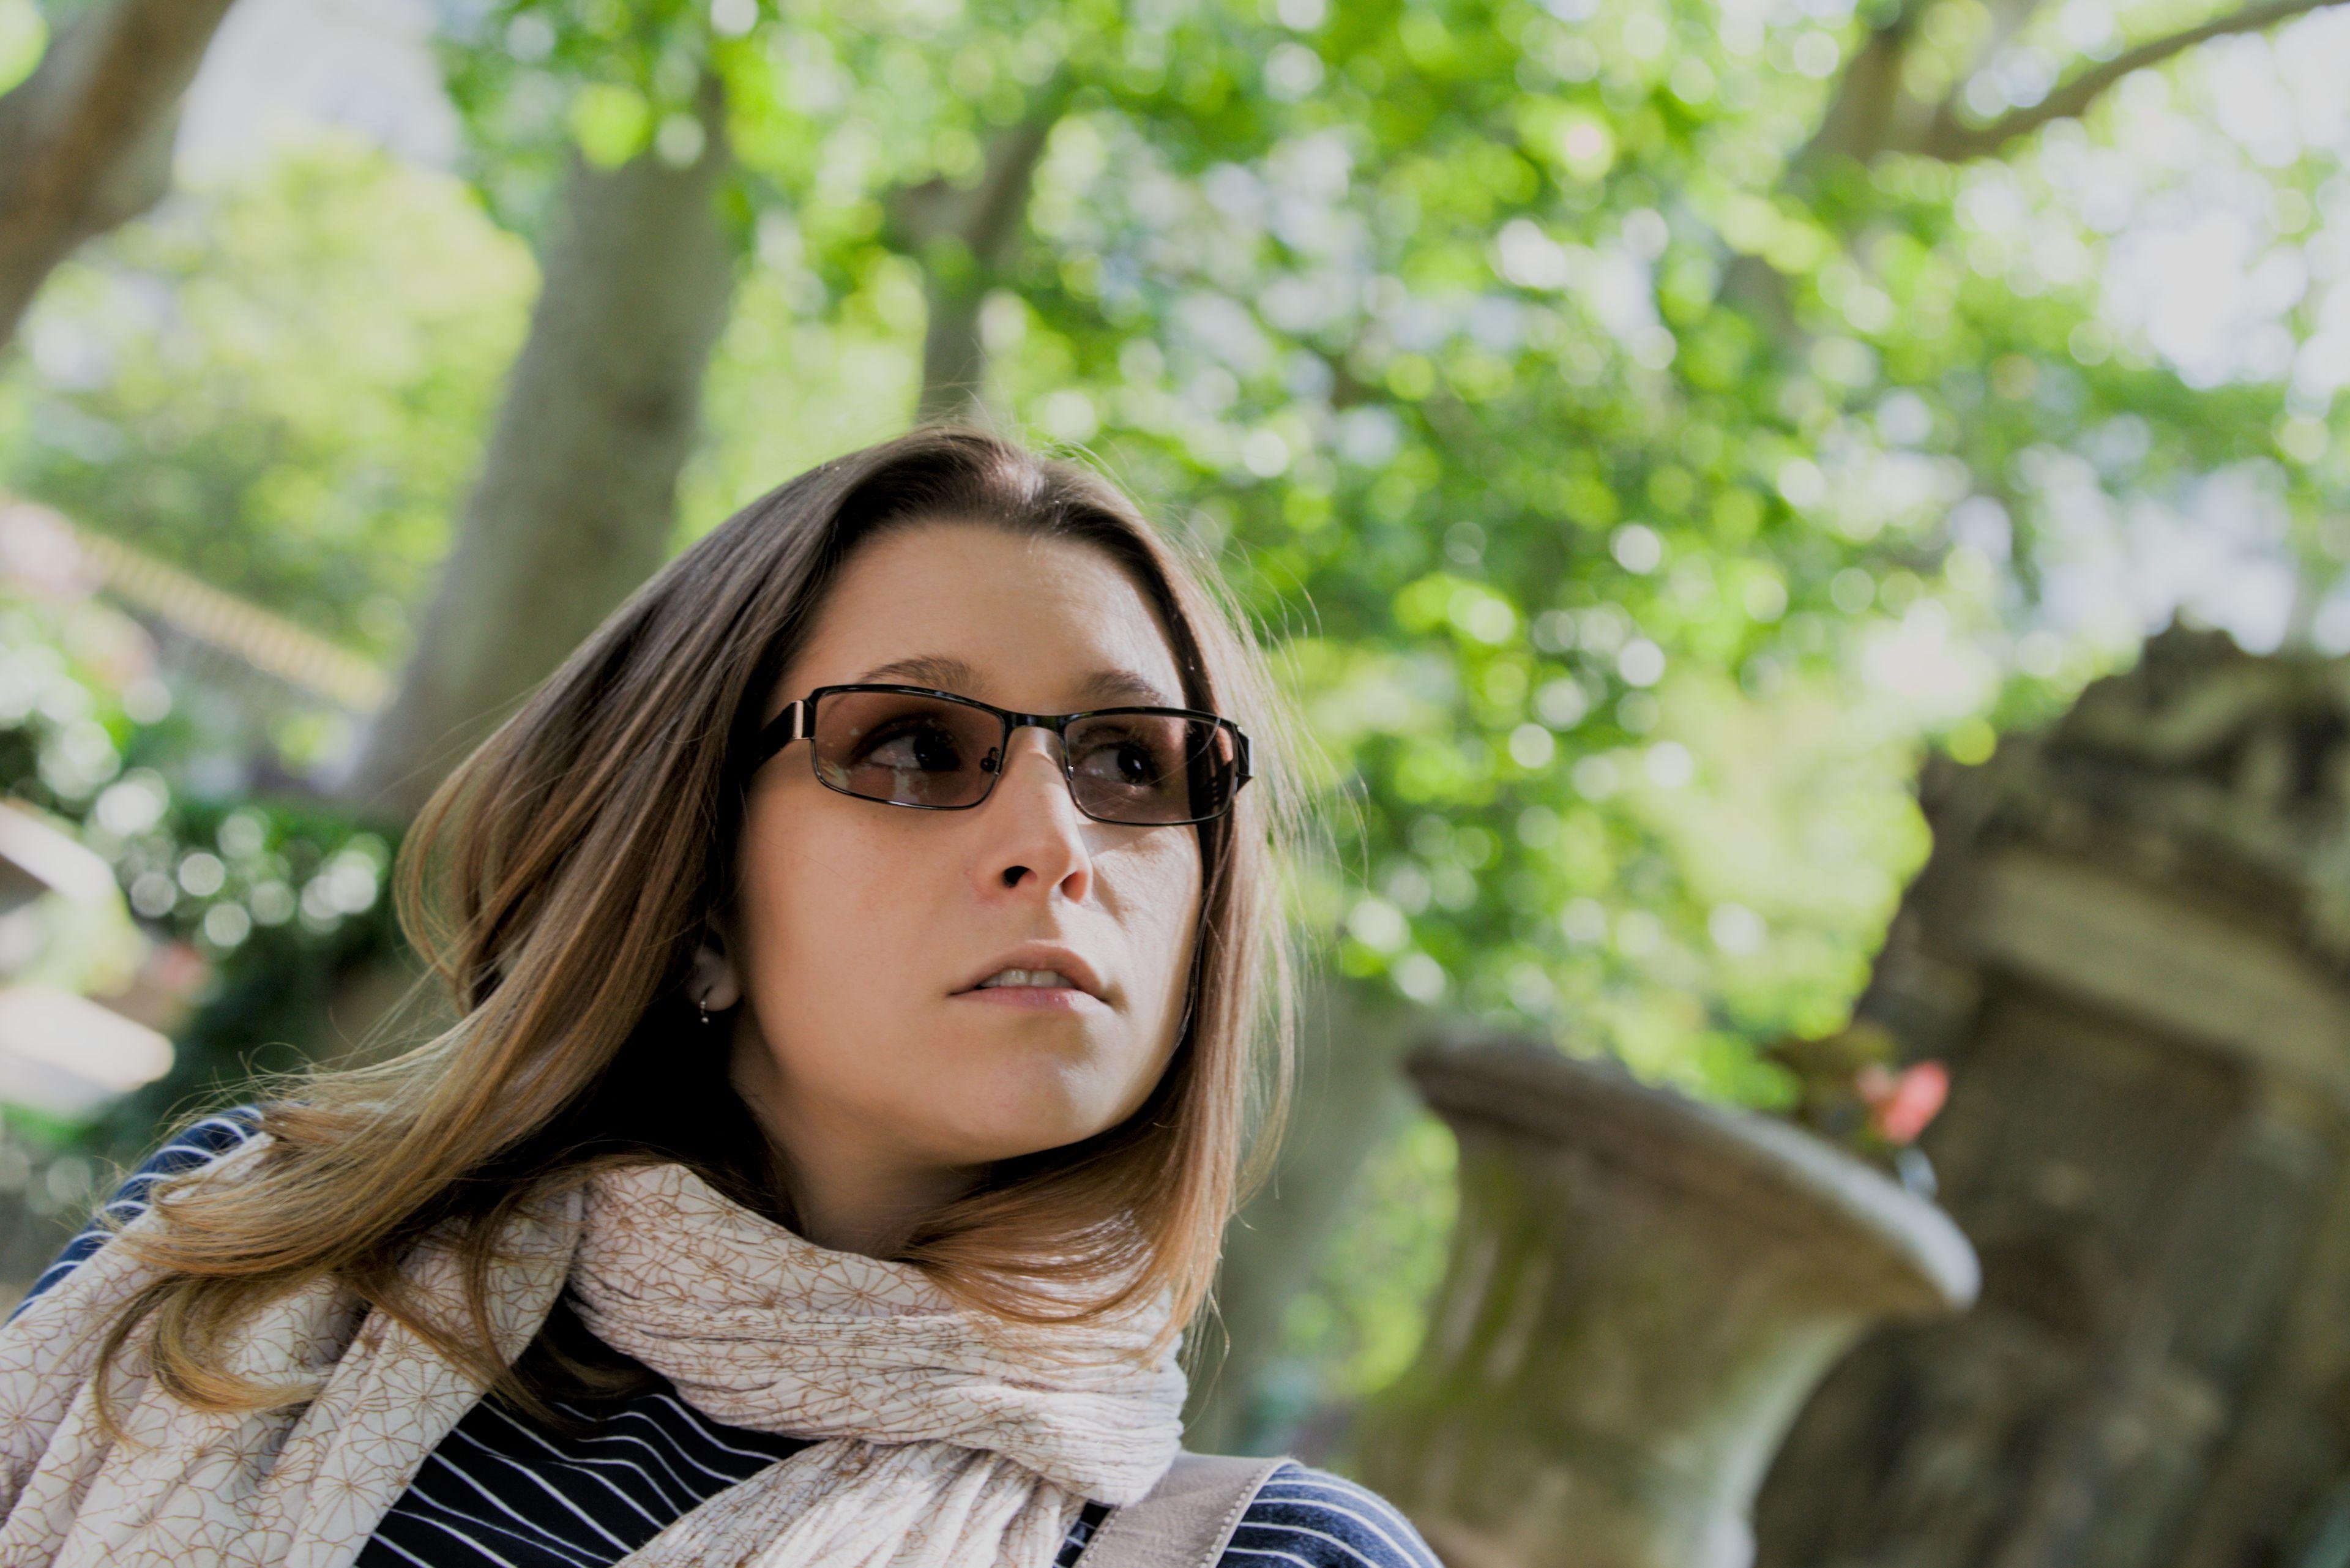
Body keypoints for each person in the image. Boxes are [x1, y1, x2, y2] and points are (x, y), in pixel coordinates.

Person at [0, 427, 1444, 1568]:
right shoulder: (245, 1248)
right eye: (911, 746)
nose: (1057, 841)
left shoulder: (1281, 1561)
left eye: (1133, 761)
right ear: (697, 901)